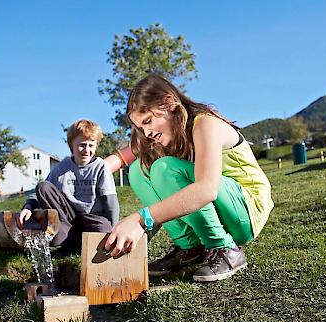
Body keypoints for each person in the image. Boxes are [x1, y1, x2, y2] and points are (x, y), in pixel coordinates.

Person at [104, 74, 274, 282]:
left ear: (168, 103)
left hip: (246, 211)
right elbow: (127, 155)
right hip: (221, 210)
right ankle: (191, 248)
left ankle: (225, 249)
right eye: (140, 127)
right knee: (138, 172)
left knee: (163, 168)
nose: (146, 132)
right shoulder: (167, 137)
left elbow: (206, 189)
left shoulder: (206, 124)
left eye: (148, 121)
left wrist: (141, 219)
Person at [18, 119, 119, 254]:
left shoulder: (100, 167)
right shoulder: (62, 167)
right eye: (82, 145)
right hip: (68, 217)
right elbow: (41, 192)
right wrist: (28, 207)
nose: (86, 150)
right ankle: (64, 234)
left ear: (96, 145)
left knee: (103, 229)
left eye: (91, 145)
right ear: (71, 144)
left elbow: (110, 201)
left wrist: (113, 227)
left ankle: (75, 241)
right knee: (43, 186)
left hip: (92, 216)